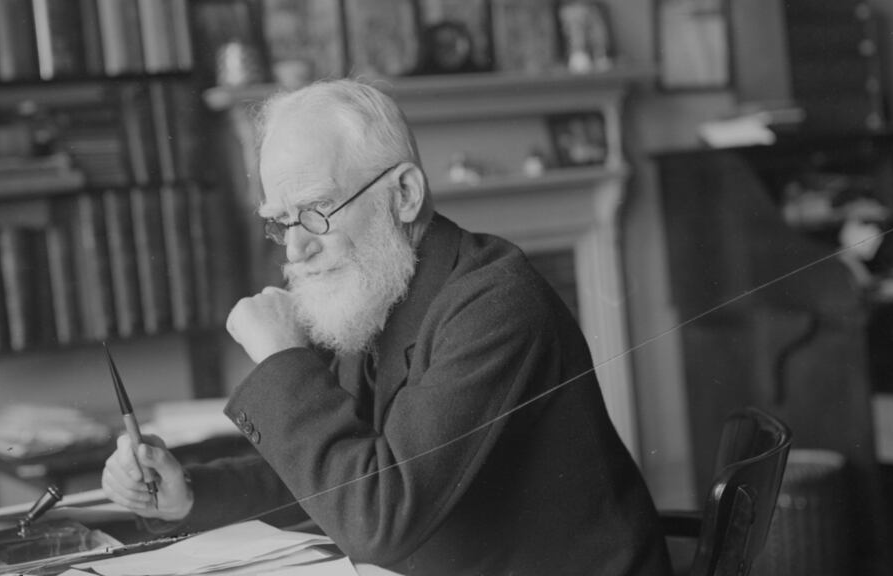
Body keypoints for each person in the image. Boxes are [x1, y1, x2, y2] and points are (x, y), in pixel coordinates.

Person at [102, 79, 671, 575]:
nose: (295, 248)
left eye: (317, 209)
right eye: (281, 220)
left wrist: (280, 359)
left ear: (403, 194)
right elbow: (333, 471)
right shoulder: (376, 287)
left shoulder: (497, 300)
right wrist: (191, 495)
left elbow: (378, 515)